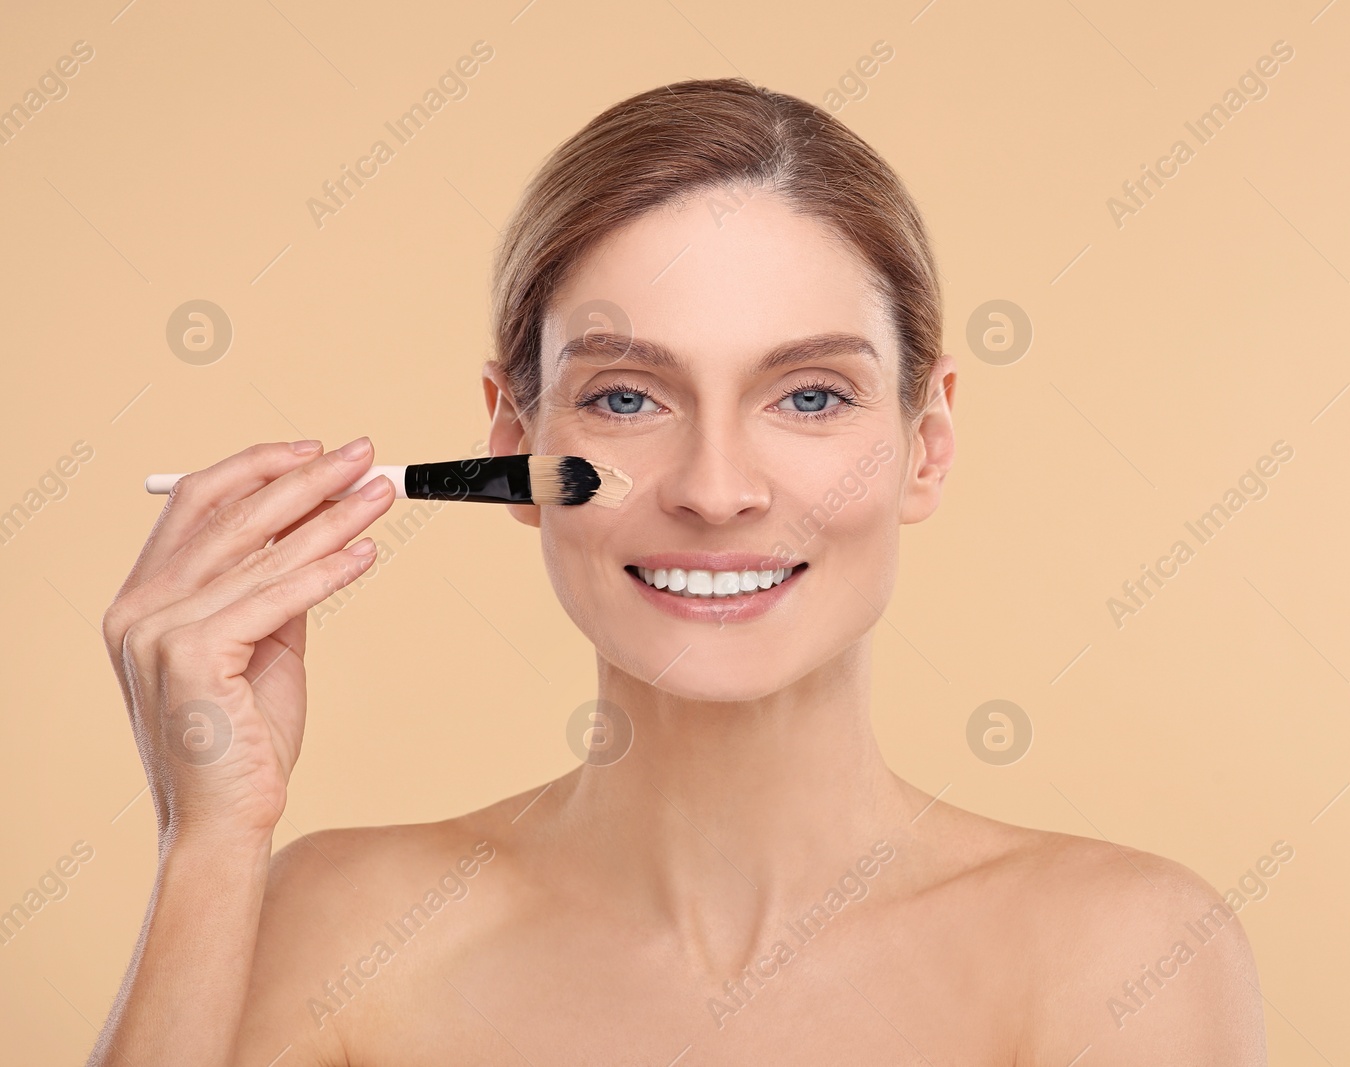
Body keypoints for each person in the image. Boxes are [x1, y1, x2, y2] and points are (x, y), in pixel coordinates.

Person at [93, 78, 1265, 1065]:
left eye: (808, 395)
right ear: (514, 447)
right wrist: (209, 842)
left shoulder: (1118, 954)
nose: (715, 488)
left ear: (927, 442)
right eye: (625, 397)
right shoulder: (339, 923)